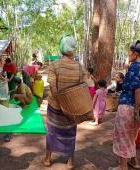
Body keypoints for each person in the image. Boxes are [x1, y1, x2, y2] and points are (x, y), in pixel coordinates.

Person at [42, 34, 87, 169]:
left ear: (62, 48)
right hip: (73, 107)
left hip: (56, 106)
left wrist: (61, 102)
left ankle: (48, 158)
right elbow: (85, 85)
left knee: (52, 131)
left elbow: (53, 88)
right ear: (72, 49)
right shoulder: (79, 67)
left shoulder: (54, 66)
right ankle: (70, 161)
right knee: (70, 132)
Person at [111, 39, 140, 170]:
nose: (128, 54)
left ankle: (122, 167)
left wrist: (135, 110)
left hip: (129, 107)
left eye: (130, 51)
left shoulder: (134, 67)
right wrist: (139, 111)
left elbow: (138, 90)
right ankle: (134, 161)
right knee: (131, 135)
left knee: (123, 136)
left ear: (136, 54)